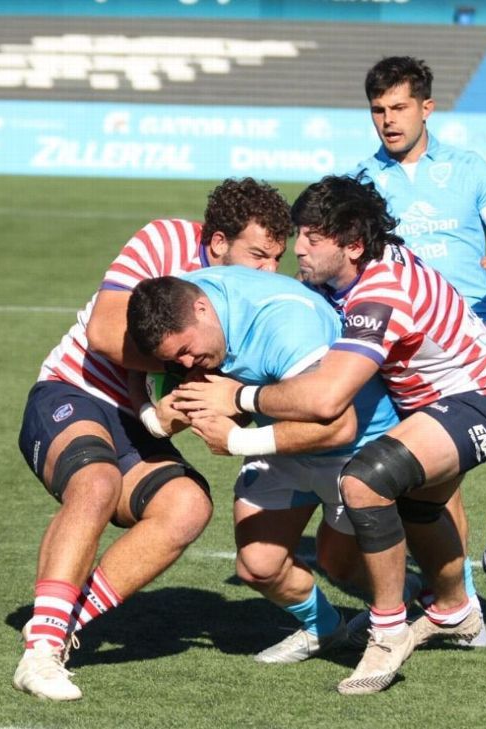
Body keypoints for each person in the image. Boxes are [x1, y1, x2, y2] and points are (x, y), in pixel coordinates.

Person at [175, 175, 486, 694]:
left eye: (312, 239)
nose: (299, 251)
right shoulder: (348, 272)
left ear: (354, 246)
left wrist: (239, 400)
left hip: (479, 399)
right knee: (418, 509)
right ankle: (454, 611)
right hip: (431, 404)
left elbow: (329, 398)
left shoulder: (379, 294)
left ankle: (387, 633)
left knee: (366, 482)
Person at [14, 178, 294, 701]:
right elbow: (103, 332)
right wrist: (186, 383)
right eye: (258, 255)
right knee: (95, 484)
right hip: (72, 390)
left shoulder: (259, 299)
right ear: (216, 243)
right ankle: (41, 656)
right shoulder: (163, 240)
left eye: (278, 257)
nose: (269, 271)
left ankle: (61, 622)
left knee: (187, 506)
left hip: (136, 424)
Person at [127, 267, 410, 667]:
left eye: (187, 350)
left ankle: (415, 598)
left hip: (355, 452)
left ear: (202, 308)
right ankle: (324, 628)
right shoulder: (176, 304)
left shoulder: (286, 325)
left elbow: (338, 426)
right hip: (280, 443)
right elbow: (135, 365)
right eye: (174, 358)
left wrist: (236, 436)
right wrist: (153, 418)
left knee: (339, 565)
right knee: (258, 567)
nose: (188, 363)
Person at [351, 56, 486, 635]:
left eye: (399, 107)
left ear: (426, 107)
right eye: (378, 110)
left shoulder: (468, 169)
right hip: (413, 349)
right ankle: (456, 602)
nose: (388, 120)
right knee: (439, 488)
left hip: (484, 333)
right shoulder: (361, 182)